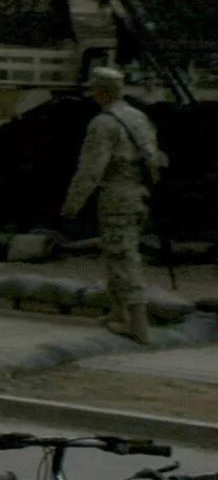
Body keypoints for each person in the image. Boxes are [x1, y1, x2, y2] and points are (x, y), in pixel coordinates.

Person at [62, 66, 167, 340]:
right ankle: (118, 312)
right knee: (115, 251)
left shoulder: (104, 124)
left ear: (99, 92)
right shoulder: (137, 117)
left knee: (122, 255)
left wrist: (72, 204)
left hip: (117, 194)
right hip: (139, 193)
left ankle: (138, 325)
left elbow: (91, 169)